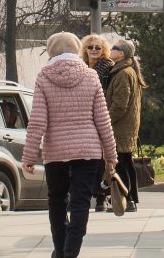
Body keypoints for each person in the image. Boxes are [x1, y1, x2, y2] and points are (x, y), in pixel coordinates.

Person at [22, 32, 117, 258]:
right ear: (77, 50)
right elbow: (102, 118)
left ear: (51, 51)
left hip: (56, 151)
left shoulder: (43, 77)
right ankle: (70, 252)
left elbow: (38, 121)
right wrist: (111, 154)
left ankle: (61, 248)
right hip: (88, 150)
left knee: (56, 200)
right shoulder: (91, 76)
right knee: (80, 202)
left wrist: (28, 156)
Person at [105, 38, 146, 213]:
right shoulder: (126, 70)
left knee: (122, 163)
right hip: (126, 127)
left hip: (120, 127)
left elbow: (120, 105)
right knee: (126, 162)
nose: (110, 49)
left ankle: (128, 199)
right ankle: (131, 199)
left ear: (121, 54)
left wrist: (105, 121)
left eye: (113, 48)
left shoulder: (123, 73)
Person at [79, 34, 115, 212]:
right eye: (90, 47)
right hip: (84, 118)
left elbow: (109, 94)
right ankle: (91, 194)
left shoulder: (107, 67)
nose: (93, 50)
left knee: (101, 159)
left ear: (103, 51)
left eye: (97, 48)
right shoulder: (81, 67)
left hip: (101, 116)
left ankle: (101, 195)